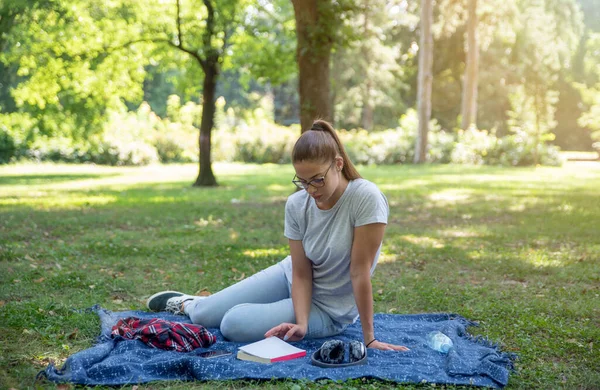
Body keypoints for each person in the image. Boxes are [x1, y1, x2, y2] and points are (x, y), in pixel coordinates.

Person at [147, 119, 409, 352]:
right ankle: (189, 304)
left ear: (338, 165)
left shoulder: (366, 198)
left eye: (317, 180)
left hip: (328, 310)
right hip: (292, 278)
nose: (310, 190)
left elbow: (359, 271)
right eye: (302, 181)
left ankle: (270, 308)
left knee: (231, 324)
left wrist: (369, 338)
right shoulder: (296, 204)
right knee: (204, 315)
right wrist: (301, 321)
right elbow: (301, 272)